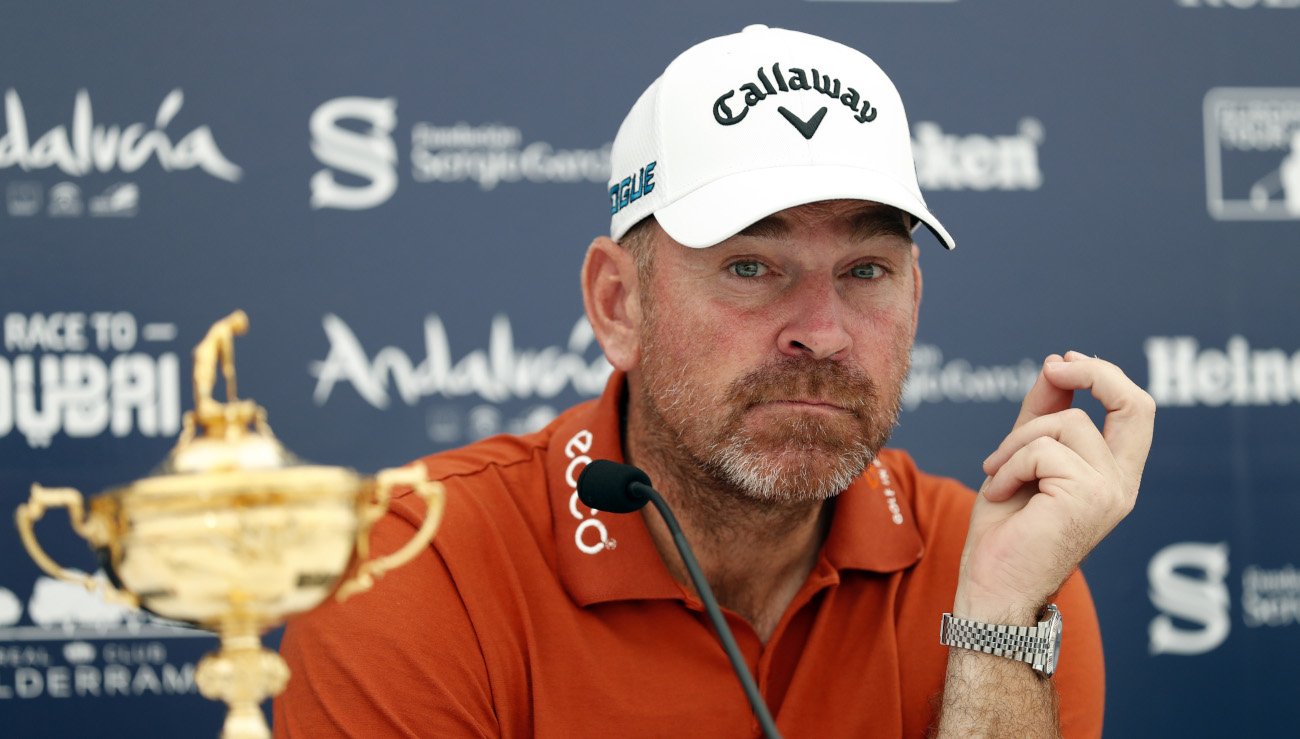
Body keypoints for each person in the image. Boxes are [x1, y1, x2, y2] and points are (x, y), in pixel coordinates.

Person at [274, 25, 1154, 738]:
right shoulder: (414, 565)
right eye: (749, 266)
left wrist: (997, 621)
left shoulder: (997, 571)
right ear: (618, 302)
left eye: (866, 270)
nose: (822, 331)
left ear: (915, 296)